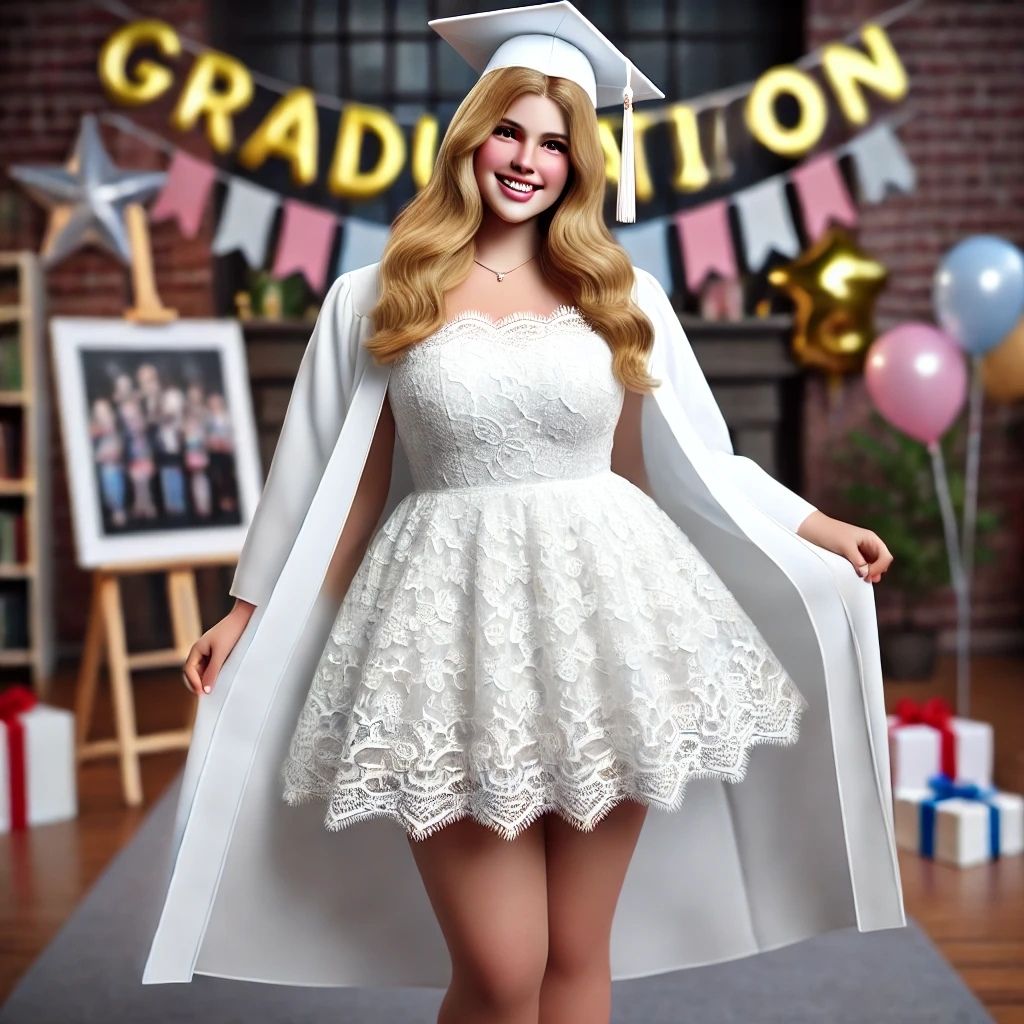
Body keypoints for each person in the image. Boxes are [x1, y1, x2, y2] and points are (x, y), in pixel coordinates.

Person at [145, 1, 906, 1015]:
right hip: (445, 633)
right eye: (509, 128)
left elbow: (697, 460)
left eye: (554, 142)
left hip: (607, 624)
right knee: (500, 970)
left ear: (580, 164)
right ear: (470, 133)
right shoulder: (381, 293)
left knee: (576, 959)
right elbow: (333, 480)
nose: (527, 158)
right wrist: (249, 608)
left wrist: (815, 527)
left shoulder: (619, 292)